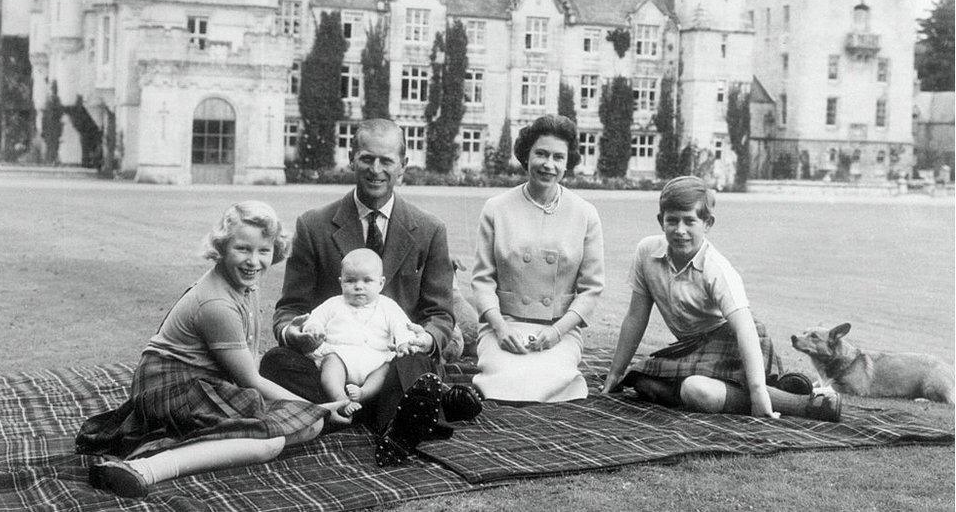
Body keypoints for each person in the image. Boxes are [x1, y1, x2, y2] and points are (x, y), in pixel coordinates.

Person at [76, 201, 347, 499]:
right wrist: (317, 407)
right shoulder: (216, 304)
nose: (253, 261)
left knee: (306, 425)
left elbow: (249, 360)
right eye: (242, 249)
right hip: (170, 387)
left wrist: (309, 410)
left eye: (263, 251)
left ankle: (180, 442)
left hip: (203, 384)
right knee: (271, 442)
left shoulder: (244, 285)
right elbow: (250, 380)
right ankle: (145, 467)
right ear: (221, 247)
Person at [259, 118, 482, 466]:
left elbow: (439, 314)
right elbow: (289, 309)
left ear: (403, 166)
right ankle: (407, 415)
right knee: (276, 363)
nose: (375, 169)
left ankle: (353, 415)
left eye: (386, 160)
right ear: (351, 159)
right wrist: (295, 332)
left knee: (418, 364)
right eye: (366, 158)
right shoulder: (314, 225)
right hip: (329, 363)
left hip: (394, 362)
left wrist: (426, 339)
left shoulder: (429, 229)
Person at [600, 176, 841, 422]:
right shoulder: (646, 252)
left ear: (707, 223)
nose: (680, 230)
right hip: (691, 347)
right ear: (661, 221)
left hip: (735, 341)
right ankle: (781, 386)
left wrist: (757, 392)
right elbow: (635, 317)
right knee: (639, 380)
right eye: (672, 220)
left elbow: (745, 328)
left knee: (695, 390)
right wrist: (615, 373)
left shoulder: (717, 269)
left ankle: (806, 404)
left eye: (689, 221)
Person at [471, 113, 604, 402]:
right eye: (541, 154)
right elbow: (482, 281)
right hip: (505, 325)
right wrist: (500, 328)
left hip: (558, 329)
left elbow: (592, 289)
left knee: (552, 382)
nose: (548, 164)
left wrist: (557, 332)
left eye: (558, 157)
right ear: (525, 156)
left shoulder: (585, 213)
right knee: (504, 380)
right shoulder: (496, 209)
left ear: (568, 163)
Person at [305, 248, 414, 416]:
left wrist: (403, 342)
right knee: (331, 365)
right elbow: (316, 318)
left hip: (375, 358)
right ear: (341, 282)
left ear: (381, 283)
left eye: (367, 281)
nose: (358, 287)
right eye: (351, 281)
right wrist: (314, 328)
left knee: (385, 370)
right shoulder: (334, 304)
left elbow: (401, 325)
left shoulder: (388, 306)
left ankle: (364, 393)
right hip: (340, 355)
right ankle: (340, 399)